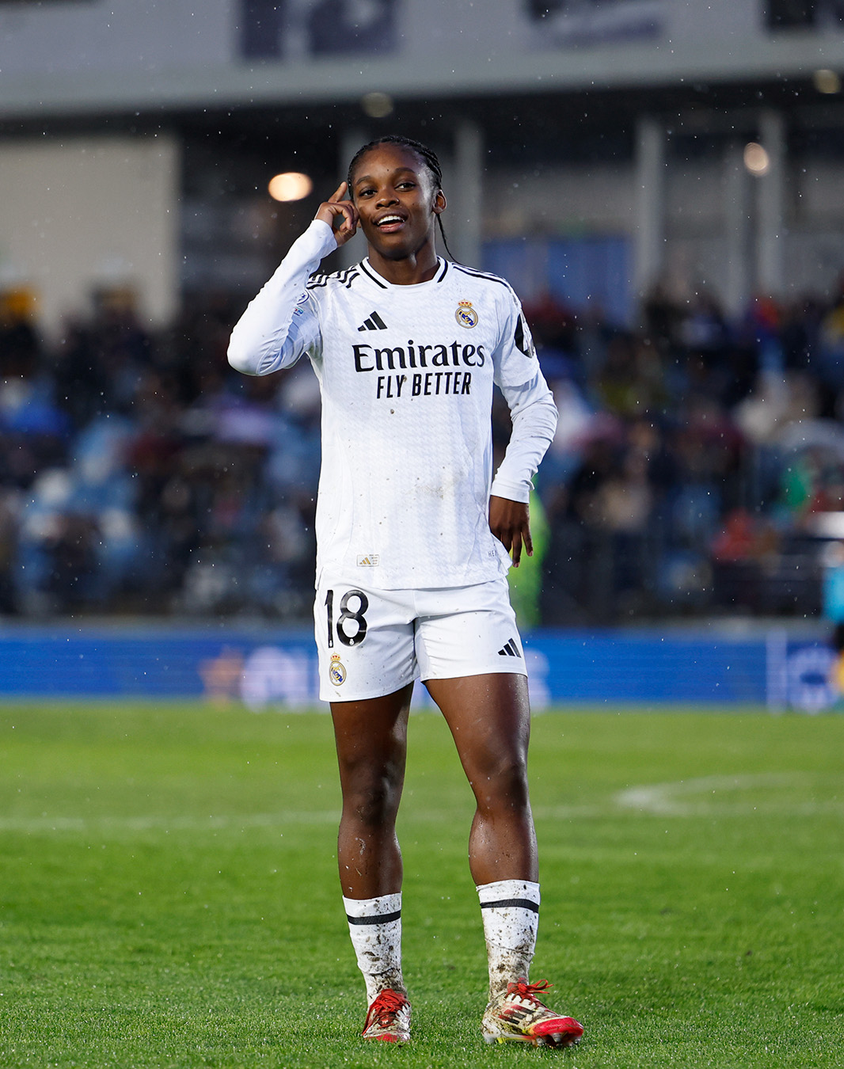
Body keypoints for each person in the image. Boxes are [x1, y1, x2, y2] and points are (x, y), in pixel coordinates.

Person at [228, 135, 583, 1048]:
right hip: (361, 578)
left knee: (499, 773)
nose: (385, 200)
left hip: (465, 574)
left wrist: (514, 480)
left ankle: (509, 993)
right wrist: (313, 240)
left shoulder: (487, 299)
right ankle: (385, 993)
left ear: (436, 197)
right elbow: (246, 352)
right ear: (353, 205)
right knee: (369, 788)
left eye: (402, 186)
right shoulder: (329, 300)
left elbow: (535, 402)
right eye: (366, 190)